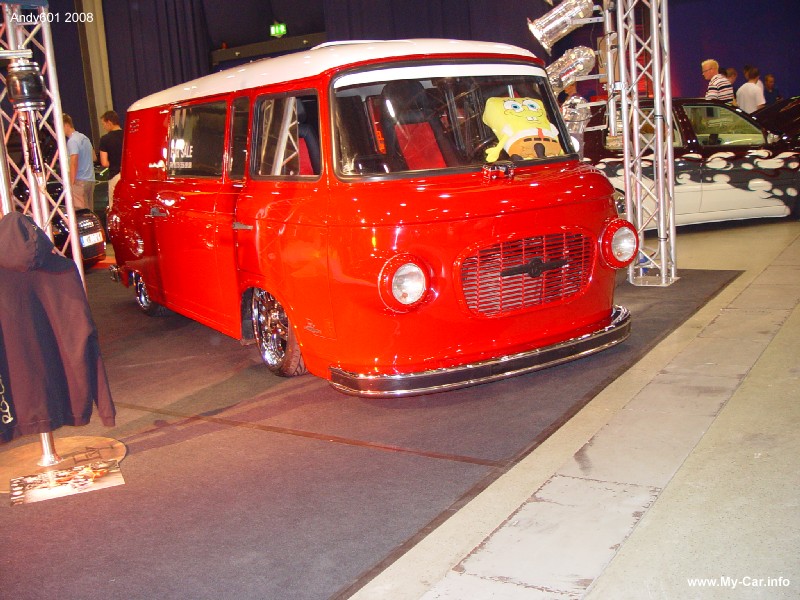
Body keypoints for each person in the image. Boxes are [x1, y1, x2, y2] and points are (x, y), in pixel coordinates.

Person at [63, 113, 96, 211]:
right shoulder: (84, 137)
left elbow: (74, 161)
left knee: (81, 212)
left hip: (79, 181)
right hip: (90, 179)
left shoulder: (72, 141)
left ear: (66, 124)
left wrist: (71, 182)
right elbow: (94, 157)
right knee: (89, 211)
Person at [98, 110, 123, 208]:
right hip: (129, 176)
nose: (104, 127)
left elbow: (104, 162)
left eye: (103, 124)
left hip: (115, 175)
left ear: (109, 122)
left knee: (115, 206)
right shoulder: (128, 135)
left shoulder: (105, 139)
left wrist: (114, 163)